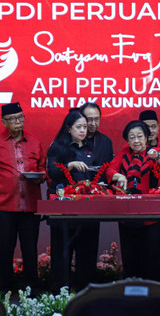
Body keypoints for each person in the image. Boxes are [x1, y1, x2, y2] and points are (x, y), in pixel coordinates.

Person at [0, 102, 46, 293]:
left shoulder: (34, 141)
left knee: (30, 249)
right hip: (3, 206)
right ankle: (4, 289)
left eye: (21, 117)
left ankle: (31, 288)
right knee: (4, 249)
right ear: (3, 121)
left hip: (30, 206)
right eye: (13, 119)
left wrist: (41, 176)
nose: (18, 122)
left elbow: (42, 168)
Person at [107, 120, 160, 281]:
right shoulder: (124, 153)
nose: (136, 141)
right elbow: (110, 170)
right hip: (128, 214)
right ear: (127, 140)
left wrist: (159, 157)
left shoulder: (154, 153)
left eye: (139, 136)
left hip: (152, 215)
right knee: (130, 256)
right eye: (132, 137)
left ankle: (154, 293)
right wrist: (118, 175)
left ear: (146, 138)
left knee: (152, 257)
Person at [46, 110, 98, 292]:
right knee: (62, 253)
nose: (83, 130)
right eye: (79, 127)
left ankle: (86, 292)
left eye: (85, 127)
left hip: (87, 208)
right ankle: (59, 293)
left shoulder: (90, 147)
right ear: (69, 129)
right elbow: (51, 172)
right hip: (64, 209)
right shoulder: (58, 146)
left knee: (87, 252)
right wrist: (68, 165)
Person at [80, 101, 114, 168]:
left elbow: (110, 168)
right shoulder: (70, 140)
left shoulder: (106, 141)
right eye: (89, 119)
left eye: (96, 119)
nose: (93, 123)